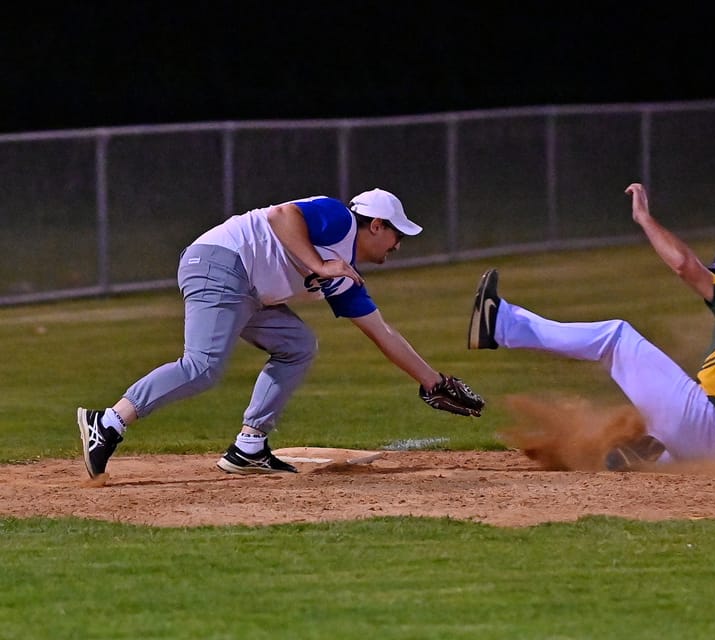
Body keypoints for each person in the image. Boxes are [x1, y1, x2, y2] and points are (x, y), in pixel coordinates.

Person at [77, 188, 484, 479]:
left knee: (298, 345)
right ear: (376, 225)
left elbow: (382, 332)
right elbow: (282, 215)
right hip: (219, 262)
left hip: (249, 289)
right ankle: (109, 422)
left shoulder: (344, 277)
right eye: (397, 235)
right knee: (203, 366)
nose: (398, 245)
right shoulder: (339, 219)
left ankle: (249, 446)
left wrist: (433, 382)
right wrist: (320, 266)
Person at [467, 182, 715, 470]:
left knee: (616, 336)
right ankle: (649, 454)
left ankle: (501, 324)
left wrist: (645, 219)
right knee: (675, 401)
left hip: (707, 427)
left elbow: (685, 266)